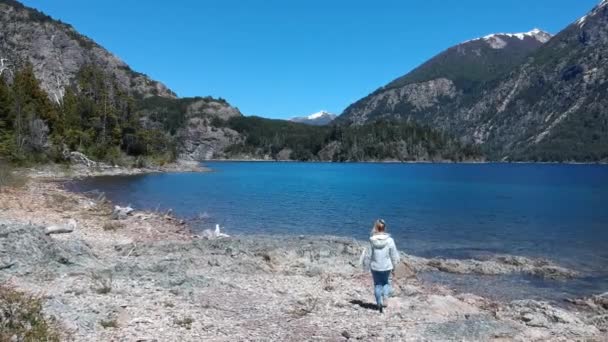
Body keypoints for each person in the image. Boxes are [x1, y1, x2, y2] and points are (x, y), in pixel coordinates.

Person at [367, 219, 400, 313]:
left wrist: (365, 265)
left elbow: (369, 254)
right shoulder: (390, 240)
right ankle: (385, 298)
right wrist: (395, 265)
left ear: (376, 228)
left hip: (375, 266)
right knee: (386, 283)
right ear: (384, 228)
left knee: (377, 284)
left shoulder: (371, 240)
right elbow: (394, 254)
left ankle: (378, 303)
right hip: (386, 266)